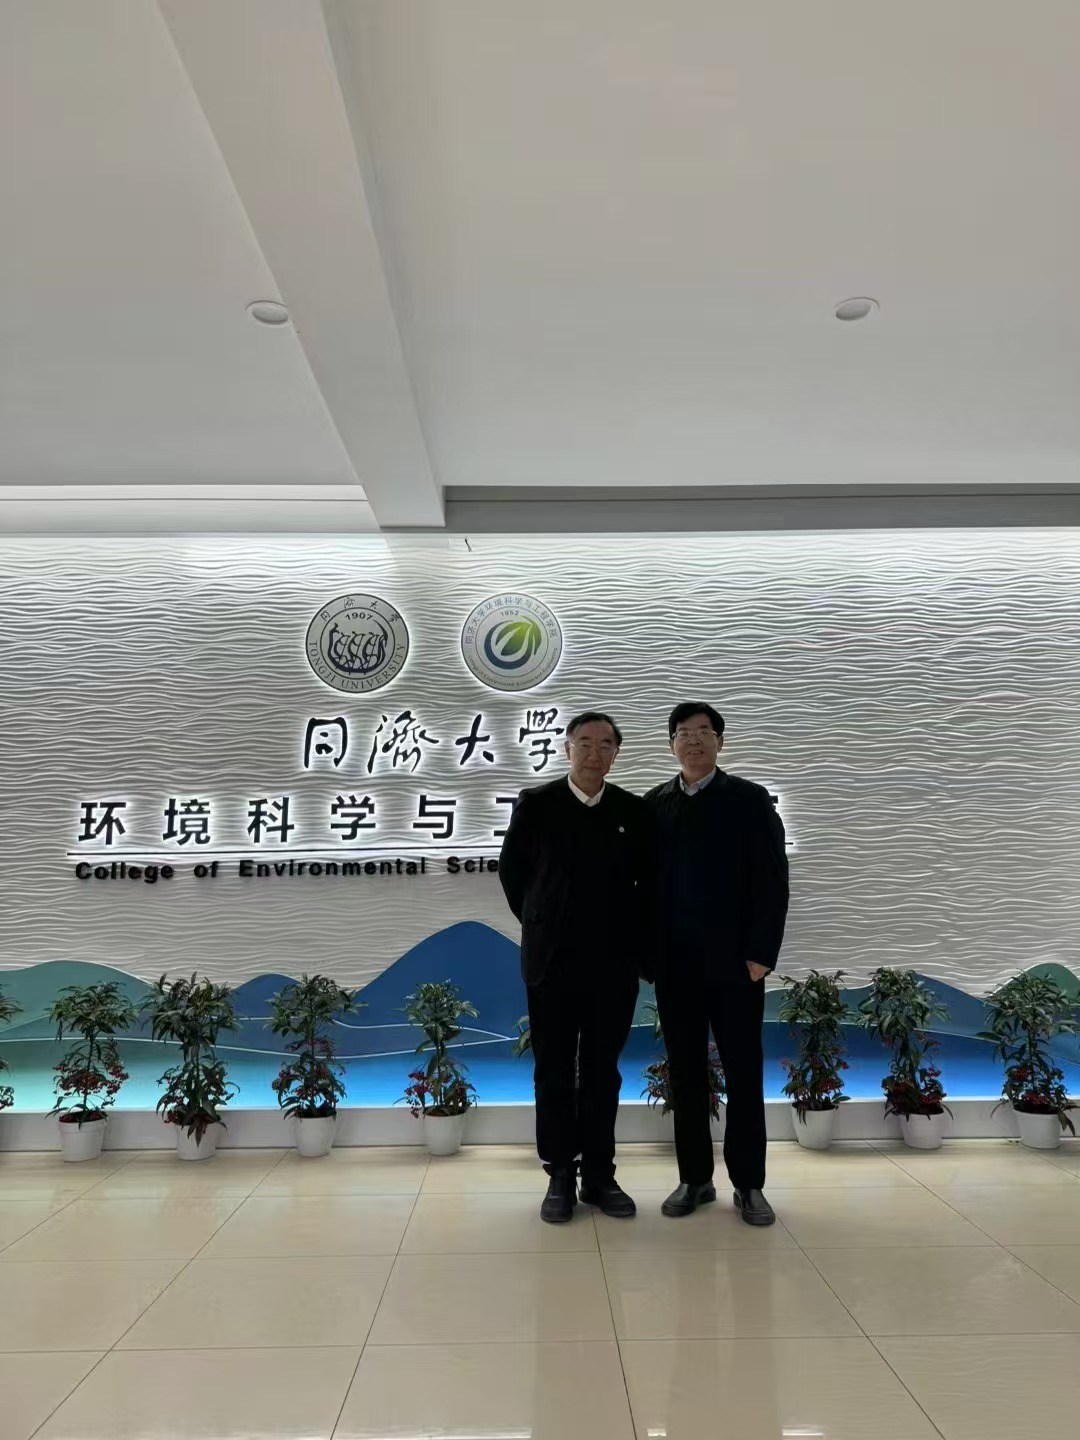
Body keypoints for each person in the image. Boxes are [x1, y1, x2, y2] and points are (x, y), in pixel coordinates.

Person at [498, 711, 650, 1224]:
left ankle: (600, 1176)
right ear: (567, 749)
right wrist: (542, 922)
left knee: (603, 1072)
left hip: (613, 965)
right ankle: (560, 1172)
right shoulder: (537, 804)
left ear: (616, 754)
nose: (594, 752)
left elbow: (647, 883)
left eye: (605, 744)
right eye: (584, 742)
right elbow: (514, 875)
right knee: (555, 1071)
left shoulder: (632, 810)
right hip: (552, 964)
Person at [644, 702, 788, 1225]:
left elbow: (772, 880)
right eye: (683, 733)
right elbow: (641, 887)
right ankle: (695, 1179)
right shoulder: (654, 804)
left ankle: (749, 1184)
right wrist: (648, 957)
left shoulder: (749, 799)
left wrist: (761, 955)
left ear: (720, 742)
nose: (694, 740)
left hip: (735, 966)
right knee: (685, 1075)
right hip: (676, 966)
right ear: (671, 745)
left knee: (744, 1073)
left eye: (704, 731)